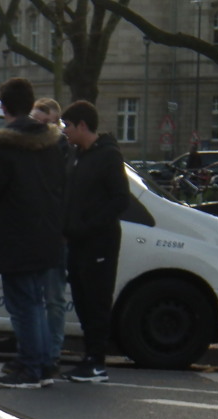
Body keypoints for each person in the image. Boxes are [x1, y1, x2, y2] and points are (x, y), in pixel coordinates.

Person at [0, 77, 66, 389]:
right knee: (35, 301)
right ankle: (42, 363)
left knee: (23, 304)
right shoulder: (52, 143)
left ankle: (29, 366)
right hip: (46, 233)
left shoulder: (3, 145)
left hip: (15, 235)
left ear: (4, 106)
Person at [59, 100, 130, 383]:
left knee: (97, 300)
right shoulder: (77, 155)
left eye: (69, 126)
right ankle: (89, 357)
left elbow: (119, 200)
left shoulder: (108, 156)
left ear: (83, 126)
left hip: (99, 243)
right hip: (77, 242)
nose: (66, 131)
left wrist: (88, 226)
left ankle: (97, 362)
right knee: (82, 300)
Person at [30, 96, 71, 382]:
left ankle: (51, 355)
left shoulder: (64, 152)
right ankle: (37, 353)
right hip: (33, 233)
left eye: (48, 122)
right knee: (33, 299)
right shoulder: (25, 148)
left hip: (55, 235)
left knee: (53, 299)